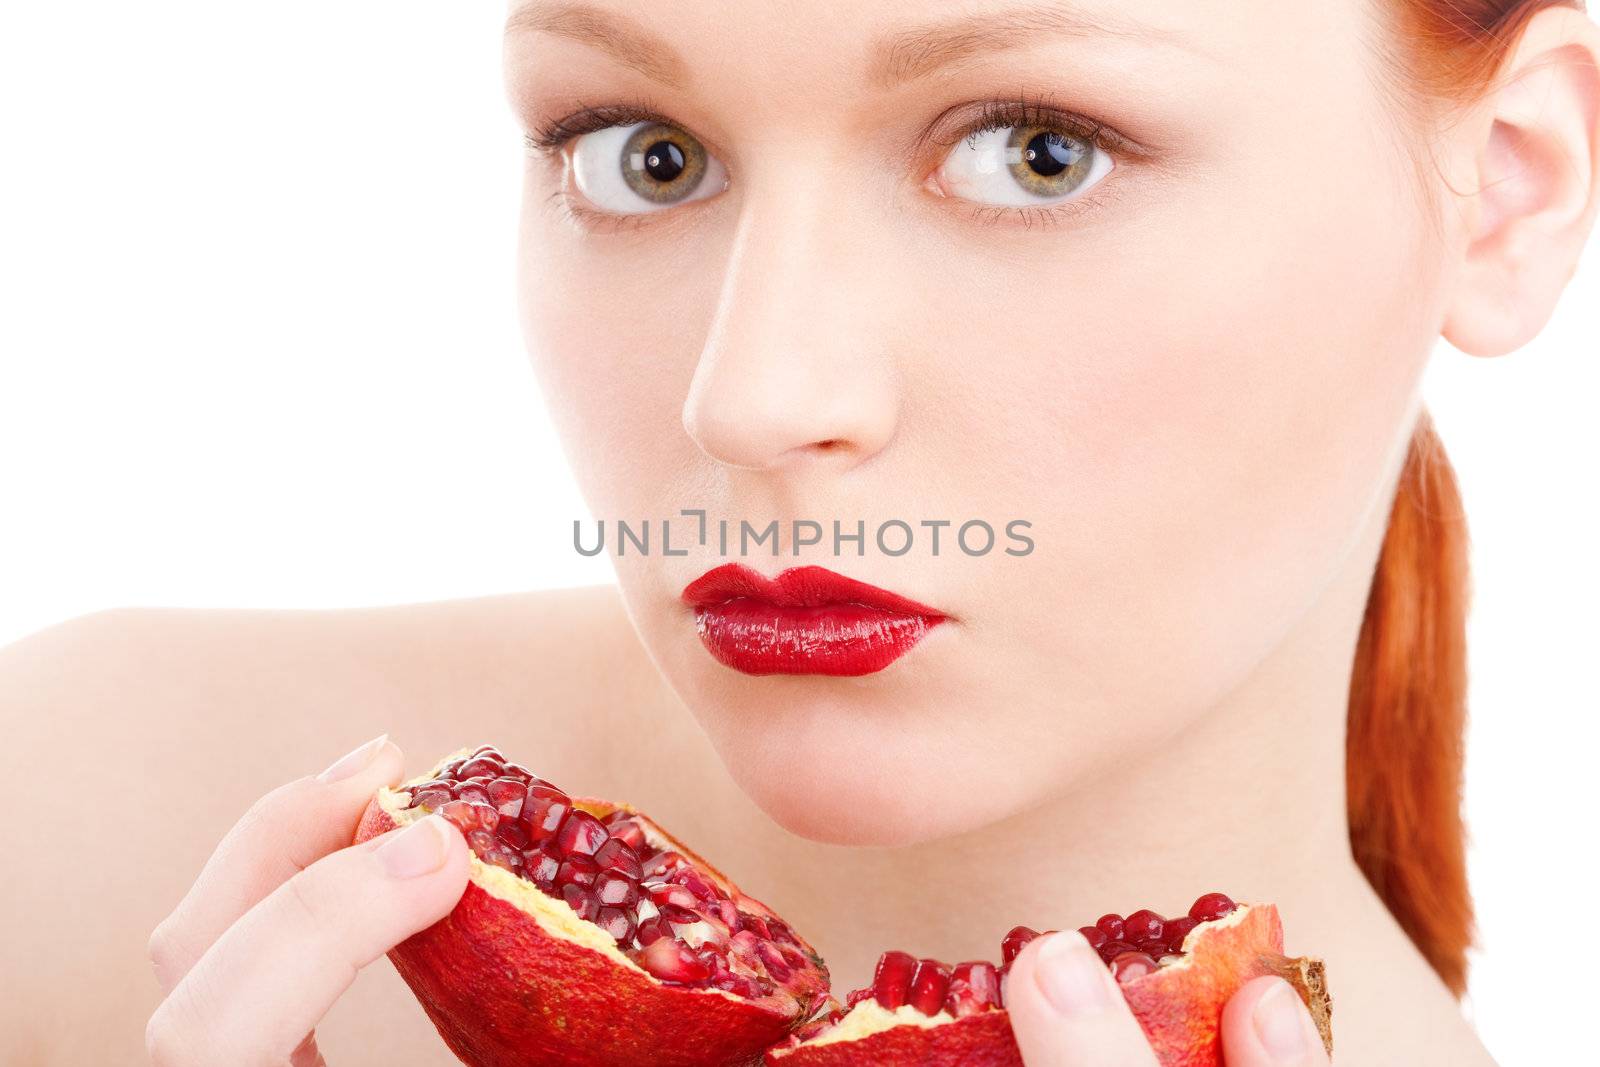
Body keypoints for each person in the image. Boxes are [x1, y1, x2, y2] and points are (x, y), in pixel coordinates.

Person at [4, 0, 1597, 1063]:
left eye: (1038, 150)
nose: (751, 396)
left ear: (1510, 191)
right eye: (646, 154)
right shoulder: (61, 821)